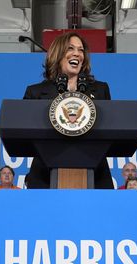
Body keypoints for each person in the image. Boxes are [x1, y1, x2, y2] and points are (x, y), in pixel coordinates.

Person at [23, 32, 113, 189]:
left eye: (81, 50)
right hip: (45, 174)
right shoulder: (35, 93)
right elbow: (23, 133)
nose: (77, 54)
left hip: (95, 173)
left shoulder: (100, 90)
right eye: (70, 48)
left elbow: (110, 128)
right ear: (58, 54)